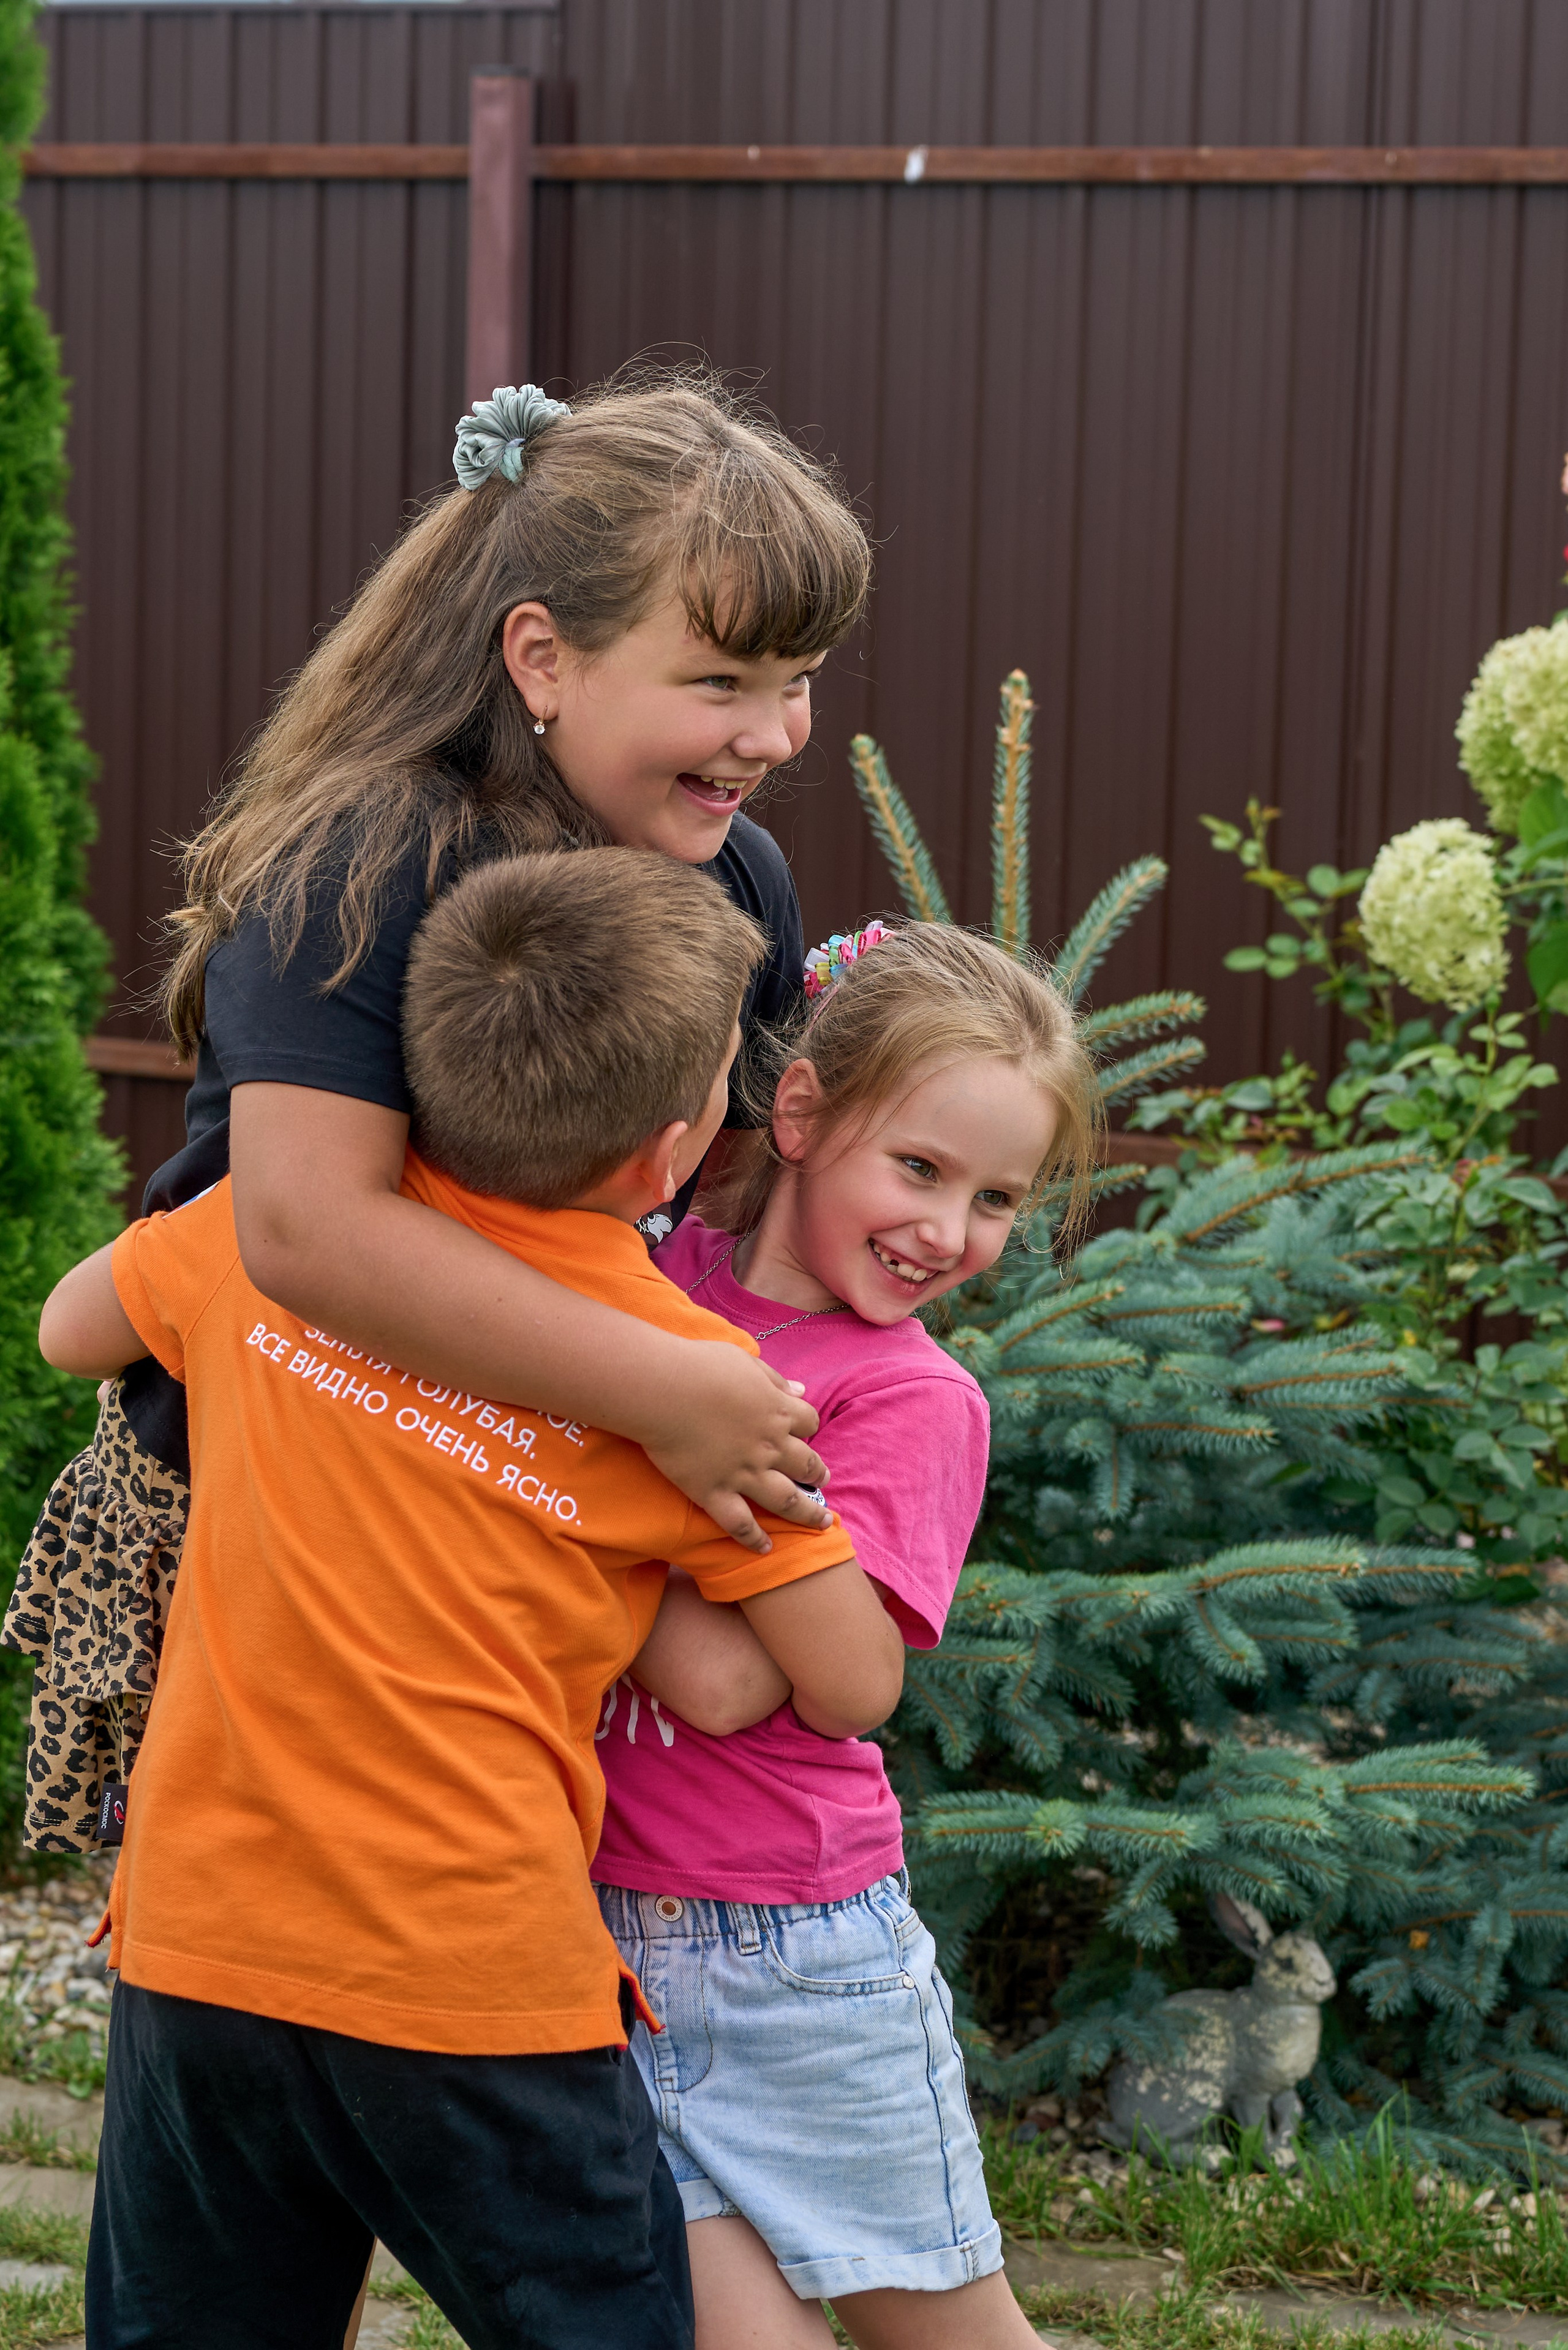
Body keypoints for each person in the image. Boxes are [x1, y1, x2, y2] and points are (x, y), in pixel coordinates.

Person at [39, 849, 905, 2350]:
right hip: (471, 1987)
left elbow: (69, 1329)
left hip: (201, 1949)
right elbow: (850, 1681)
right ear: (673, 1147)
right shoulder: (678, 1375)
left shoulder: (259, 1239)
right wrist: (568, 1522)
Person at [7, 372, 873, 1851]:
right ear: (541, 657)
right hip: (284, 1500)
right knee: (276, 1945)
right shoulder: (363, 863)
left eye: (798, 679)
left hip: (525, 1486)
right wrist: (665, 1395)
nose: (776, 732)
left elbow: (709, 1192)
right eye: (721, 682)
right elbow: (304, 1226)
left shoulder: (733, 878)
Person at [591, 919, 1101, 2350]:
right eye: (920, 1167)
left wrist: (544, 1479)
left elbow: (724, 1677)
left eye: (996, 1197)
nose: (949, 1231)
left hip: (790, 1956)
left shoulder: (908, 1401)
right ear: (801, 1112)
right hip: (583, 1935)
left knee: (950, 2336)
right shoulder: (642, 1279)